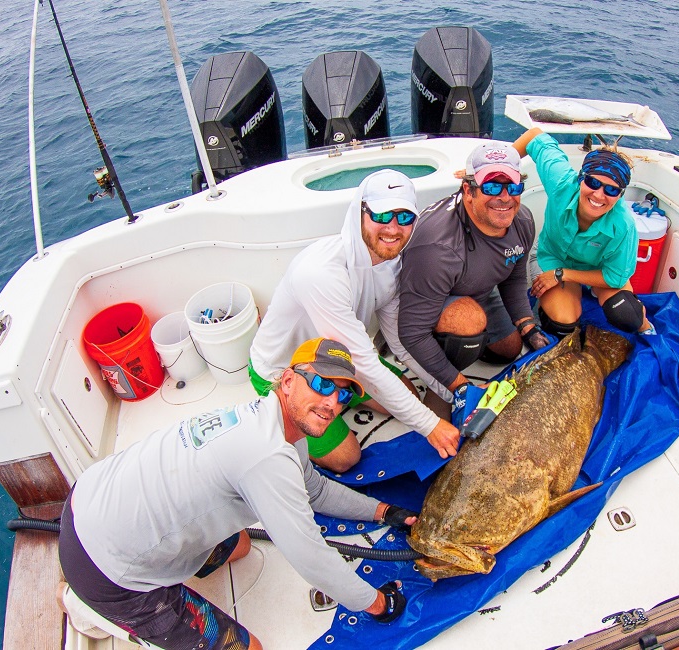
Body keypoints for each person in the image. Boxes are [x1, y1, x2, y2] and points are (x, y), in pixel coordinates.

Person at [58, 338, 413, 649]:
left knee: (241, 545)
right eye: (322, 384)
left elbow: (315, 490)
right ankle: (88, 609)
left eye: (343, 394)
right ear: (288, 380)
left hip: (93, 495)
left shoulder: (276, 423)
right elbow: (311, 558)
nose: (332, 403)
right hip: (103, 569)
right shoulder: (267, 456)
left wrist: (383, 511)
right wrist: (378, 604)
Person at [249, 169, 460, 472]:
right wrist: (431, 426)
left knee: (408, 397)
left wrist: (450, 388)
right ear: (359, 212)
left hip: (341, 359)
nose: (393, 228)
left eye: (404, 217)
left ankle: (340, 395)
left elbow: (400, 341)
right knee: (347, 458)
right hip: (285, 369)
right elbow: (365, 364)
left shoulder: (391, 265)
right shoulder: (321, 273)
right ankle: (281, 419)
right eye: (382, 215)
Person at [398, 142, 550, 408]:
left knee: (510, 350)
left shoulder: (522, 220)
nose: (505, 198)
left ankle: (466, 344)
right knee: (468, 322)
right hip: (423, 303)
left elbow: (514, 278)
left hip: (477, 289)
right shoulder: (438, 248)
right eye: (492, 187)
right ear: (468, 190)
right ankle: (442, 381)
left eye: (513, 187)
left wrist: (529, 328)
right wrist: (461, 386)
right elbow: (411, 331)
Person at [513, 127, 654, 337]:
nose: (599, 195)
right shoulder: (561, 182)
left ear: (620, 194)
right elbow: (535, 136)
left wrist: (561, 275)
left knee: (627, 314)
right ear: (581, 178)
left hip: (598, 270)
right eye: (593, 183)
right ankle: (559, 302)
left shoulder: (624, 225)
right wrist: (493, 168)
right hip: (554, 257)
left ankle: (647, 328)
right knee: (562, 322)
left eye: (611, 190)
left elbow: (615, 277)